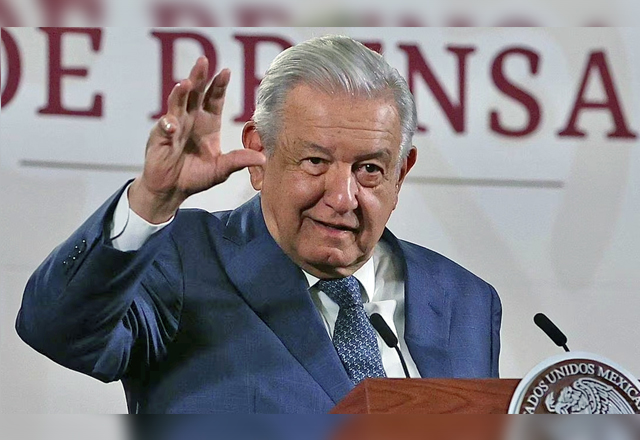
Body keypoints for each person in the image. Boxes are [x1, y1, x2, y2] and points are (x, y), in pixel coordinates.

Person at [16, 35, 501, 413]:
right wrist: (151, 200)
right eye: (315, 161)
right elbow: (58, 331)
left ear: (401, 173)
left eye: (369, 169)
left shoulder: (466, 300)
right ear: (259, 153)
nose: (341, 197)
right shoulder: (179, 259)